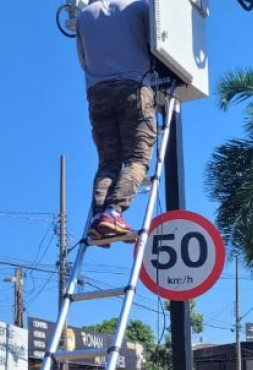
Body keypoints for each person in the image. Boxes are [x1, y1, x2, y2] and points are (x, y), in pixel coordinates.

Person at [75, 0, 157, 242]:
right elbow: (157, 45)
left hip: (97, 93)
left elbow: (83, 60)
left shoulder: (83, 15)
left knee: (108, 161)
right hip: (133, 86)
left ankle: (99, 216)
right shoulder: (139, 7)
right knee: (137, 159)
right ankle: (114, 212)